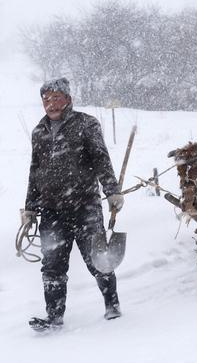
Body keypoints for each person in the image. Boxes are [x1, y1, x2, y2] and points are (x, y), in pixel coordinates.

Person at [22, 77, 124, 331]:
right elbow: (35, 170)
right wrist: (30, 207)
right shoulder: (39, 131)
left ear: (68, 99)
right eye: (46, 99)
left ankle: (112, 304)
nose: (51, 104)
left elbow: (101, 158)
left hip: (84, 205)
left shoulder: (86, 124)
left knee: (97, 259)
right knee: (52, 265)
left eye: (57, 98)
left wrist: (111, 191)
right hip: (51, 209)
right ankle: (54, 315)